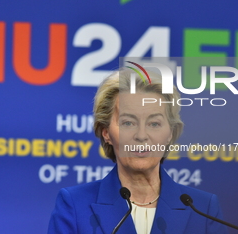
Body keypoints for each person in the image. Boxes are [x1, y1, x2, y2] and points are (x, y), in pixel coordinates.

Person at [48, 68, 227, 234]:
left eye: (154, 123)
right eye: (128, 123)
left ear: (169, 134)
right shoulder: (75, 205)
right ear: (106, 133)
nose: (142, 135)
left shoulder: (203, 209)